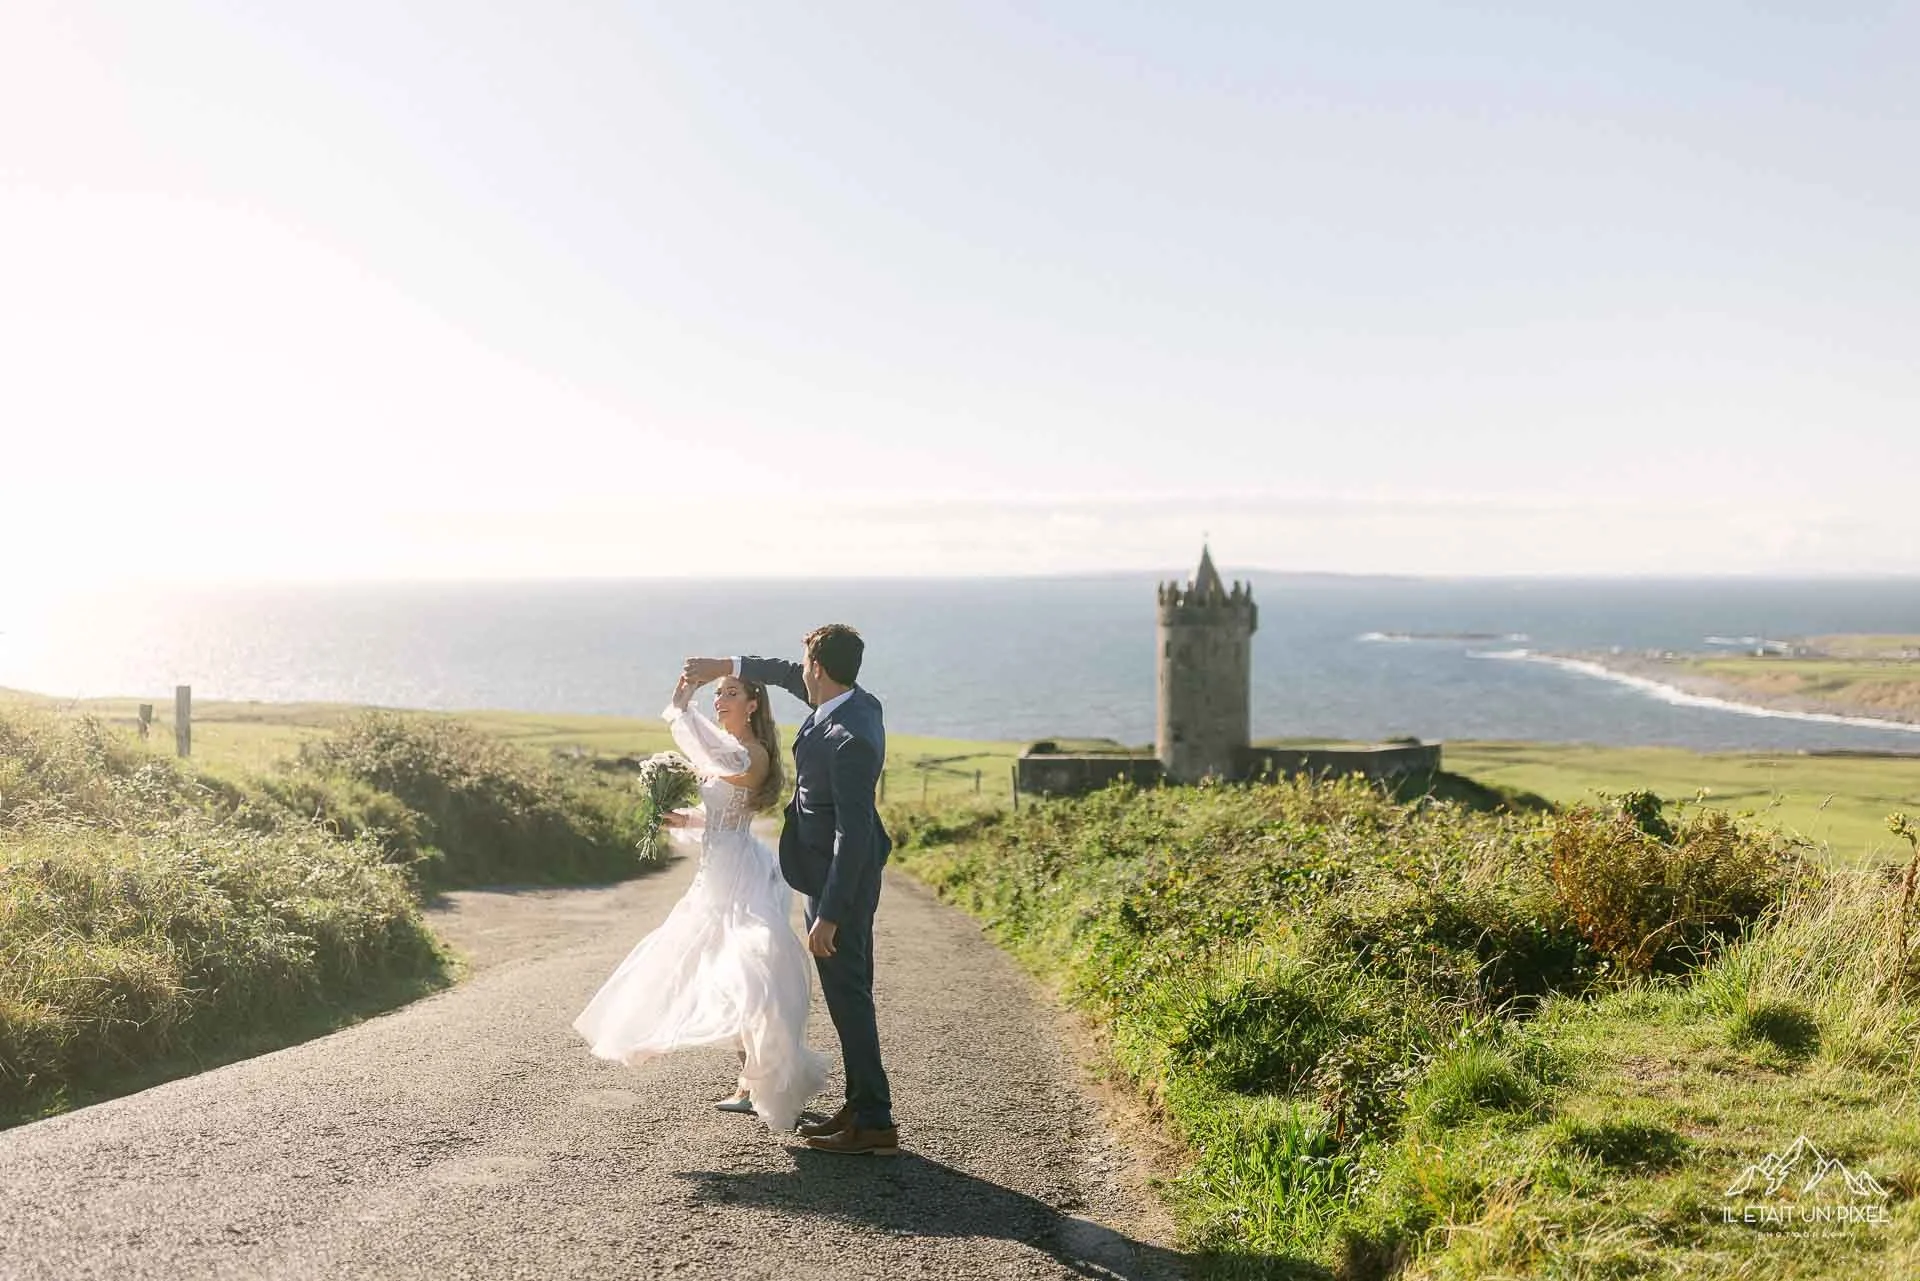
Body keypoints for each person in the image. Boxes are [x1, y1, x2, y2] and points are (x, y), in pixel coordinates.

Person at [571, 673, 827, 1132]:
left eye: (730, 694)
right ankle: (748, 1083)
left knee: (752, 974)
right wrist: (680, 816)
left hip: (741, 874)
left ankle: (764, 1081)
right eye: (717, 695)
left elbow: (716, 766)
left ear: (753, 704)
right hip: (714, 871)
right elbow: (717, 813)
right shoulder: (725, 751)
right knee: (720, 971)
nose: (720, 701)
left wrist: (680, 711)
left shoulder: (753, 754)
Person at [681, 623, 896, 1156]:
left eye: (805, 664)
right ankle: (860, 1105)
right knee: (848, 995)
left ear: (818, 669)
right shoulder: (850, 703)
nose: (798, 671)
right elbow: (778, 673)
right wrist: (724, 665)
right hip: (824, 874)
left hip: (837, 881)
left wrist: (831, 915)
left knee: (850, 998)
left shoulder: (849, 738)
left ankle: (874, 1122)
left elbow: (855, 832)